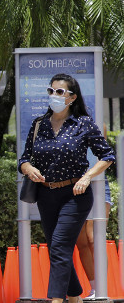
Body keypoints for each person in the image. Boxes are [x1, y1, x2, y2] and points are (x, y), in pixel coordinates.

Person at [19, 73, 114, 303]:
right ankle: (74, 297)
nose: (54, 95)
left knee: (60, 246)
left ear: (72, 97)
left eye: (60, 92)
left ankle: (56, 300)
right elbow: (24, 159)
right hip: (45, 194)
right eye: (51, 91)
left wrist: (87, 177)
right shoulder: (39, 124)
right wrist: (28, 168)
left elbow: (107, 155)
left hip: (75, 194)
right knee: (56, 249)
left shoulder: (83, 123)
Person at [75, 124, 112, 298]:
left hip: (97, 182)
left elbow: (102, 149)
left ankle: (101, 289)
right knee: (81, 241)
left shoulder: (94, 119)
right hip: (73, 183)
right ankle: (94, 287)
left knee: (93, 238)